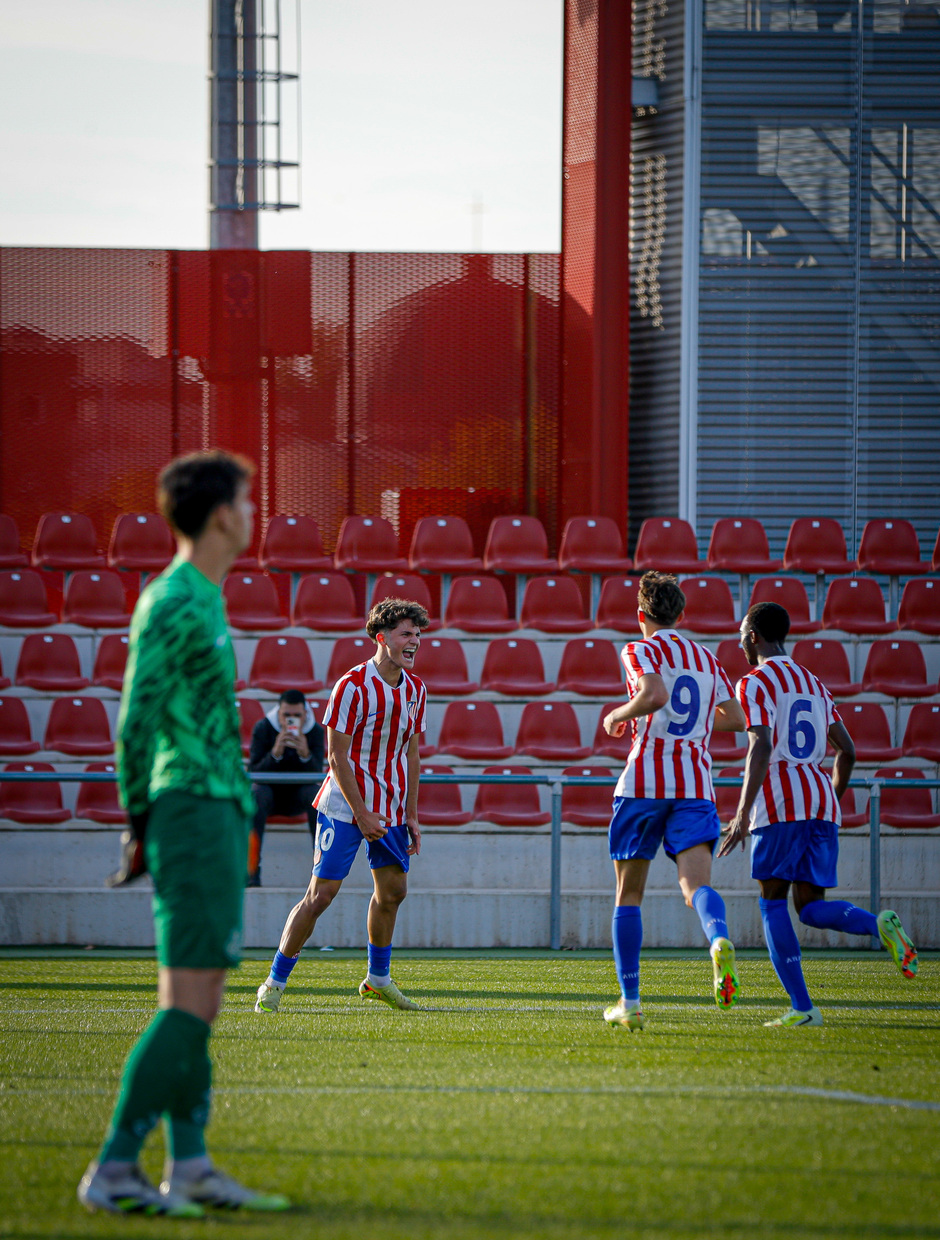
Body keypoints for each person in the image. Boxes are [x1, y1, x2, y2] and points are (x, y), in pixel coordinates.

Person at [78, 450, 289, 1217]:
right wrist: (141, 822)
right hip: (190, 811)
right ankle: (114, 1169)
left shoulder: (202, 596)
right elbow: (135, 720)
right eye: (247, 498)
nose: (254, 511)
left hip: (215, 809)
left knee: (201, 1003)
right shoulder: (172, 599)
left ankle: (191, 1166)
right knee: (186, 1003)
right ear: (222, 514)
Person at [718, 601, 918, 1027]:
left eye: (741, 634)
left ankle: (802, 1008)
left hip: (780, 803)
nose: (739, 642)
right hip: (821, 803)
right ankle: (879, 924)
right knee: (808, 906)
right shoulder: (814, 683)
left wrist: (740, 815)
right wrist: (828, 798)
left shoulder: (754, 681)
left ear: (753, 636)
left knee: (773, 903)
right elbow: (848, 750)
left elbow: (762, 746)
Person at [254, 596, 428, 1015]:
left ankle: (377, 981)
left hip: (389, 809)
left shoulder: (417, 690)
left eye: (418, 635)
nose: (415, 642)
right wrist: (362, 813)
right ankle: (273, 983)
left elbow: (412, 755)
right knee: (321, 895)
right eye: (407, 634)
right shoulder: (351, 686)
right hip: (343, 807)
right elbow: (336, 757)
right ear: (381, 637)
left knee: (393, 891)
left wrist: (412, 814)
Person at [601, 571, 748, 1031]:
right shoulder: (705, 657)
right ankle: (718, 938)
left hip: (644, 783)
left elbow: (655, 694)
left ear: (641, 615)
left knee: (629, 895)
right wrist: (699, 721)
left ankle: (631, 1002)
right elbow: (737, 718)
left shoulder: (638, 649)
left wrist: (616, 715)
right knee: (695, 890)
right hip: (694, 787)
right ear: (681, 615)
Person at [247, 689, 325, 886]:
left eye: (297, 716)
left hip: (298, 795)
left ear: (305, 714)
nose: (291, 720)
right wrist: (275, 753)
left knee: (316, 795)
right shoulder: (264, 728)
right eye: (286, 715)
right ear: (278, 713)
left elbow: (317, 773)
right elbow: (254, 771)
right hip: (269, 795)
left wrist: (305, 753)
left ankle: (323, 871)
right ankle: (251, 871)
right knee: (256, 794)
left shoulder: (315, 731)